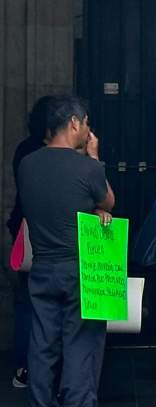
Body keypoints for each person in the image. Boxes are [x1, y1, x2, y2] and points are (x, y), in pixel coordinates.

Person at [18, 95, 116, 407]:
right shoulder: (86, 168)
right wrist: (94, 158)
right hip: (80, 267)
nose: (88, 130)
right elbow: (107, 202)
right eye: (87, 124)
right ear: (75, 123)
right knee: (81, 346)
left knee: (42, 347)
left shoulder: (27, 165)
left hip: (42, 266)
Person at [8, 95, 54, 389]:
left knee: (27, 301)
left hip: (24, 227)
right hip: (43, 233)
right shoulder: (46, 155)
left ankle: (23, 367)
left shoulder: (24, 150)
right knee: (38, 303)